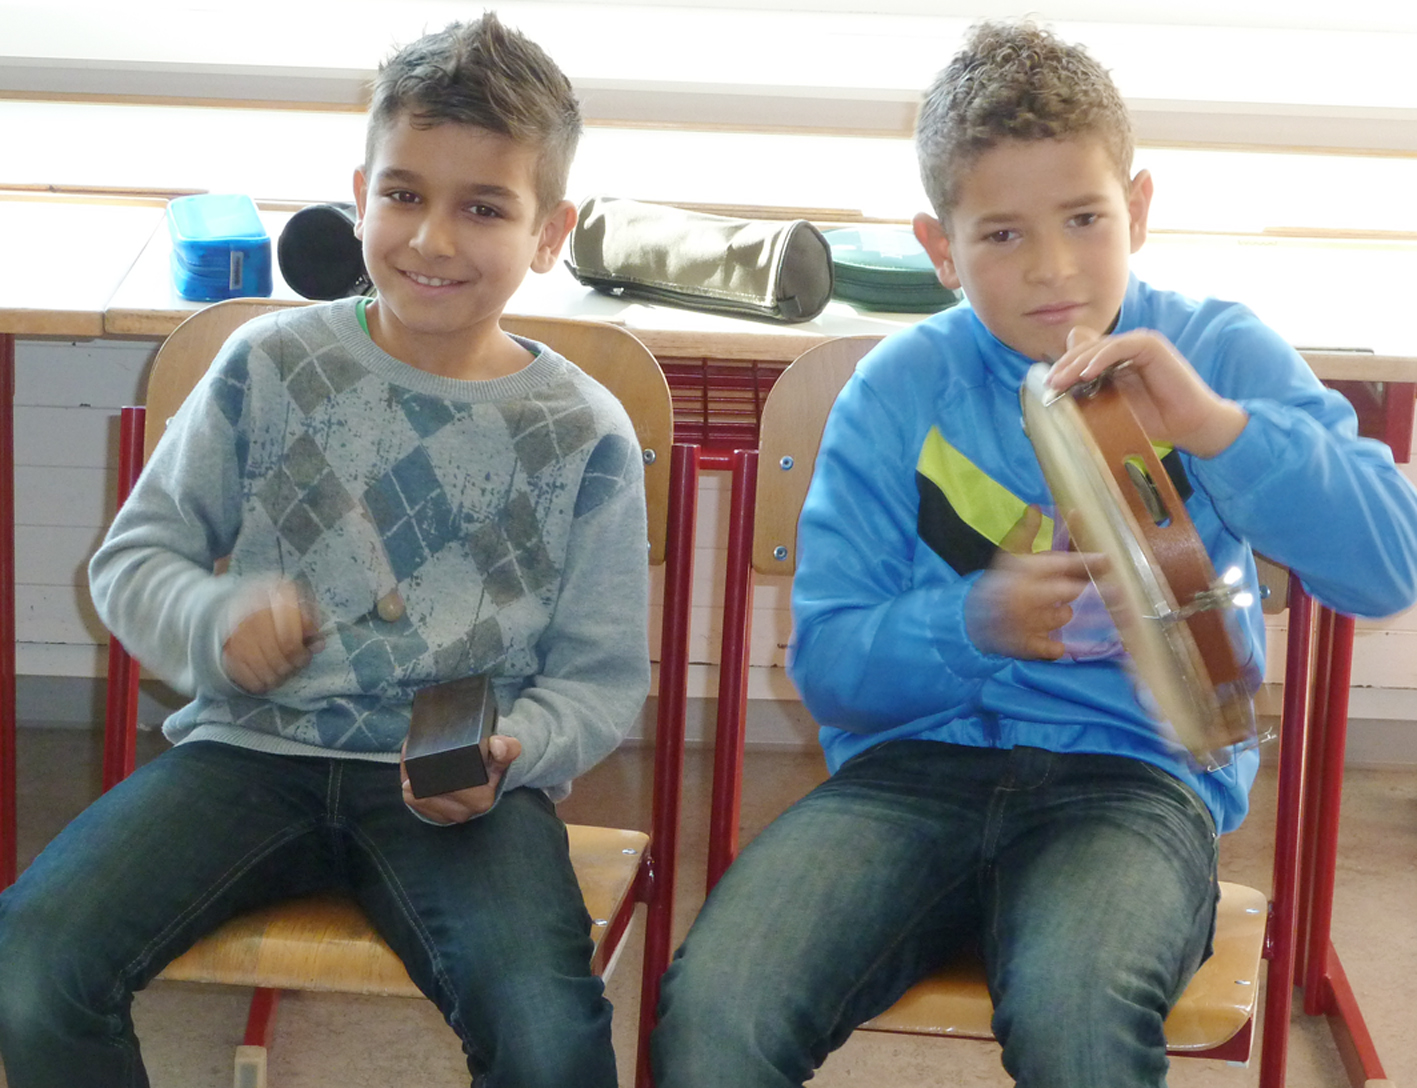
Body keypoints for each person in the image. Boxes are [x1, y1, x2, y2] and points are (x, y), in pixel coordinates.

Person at [652, 20, 1417, 1088]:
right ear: (939, 247)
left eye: (1084, 218)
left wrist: (1213, 427)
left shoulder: (1215, 349)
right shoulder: (896, 388)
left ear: (1137, 208)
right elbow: (829, 665)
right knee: (715, 1010)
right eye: (1002, 234)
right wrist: (974, 621)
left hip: (1135, 781)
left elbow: (1385, 568)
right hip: (908, 774)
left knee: (1077, 1019)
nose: (1052, 268)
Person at [0, 14, 648, 1088]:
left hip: (458, 793)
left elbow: (599, 676)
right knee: (29, 965)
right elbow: (134, 559)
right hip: (247, 753)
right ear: (360, 197)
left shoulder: (585, 430)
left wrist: (513, 748)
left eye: (483, 207)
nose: (432, 239)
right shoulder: (268, 363)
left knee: (549, 1039)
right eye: (404, 194)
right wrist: (212, 619)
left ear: (548, 232)